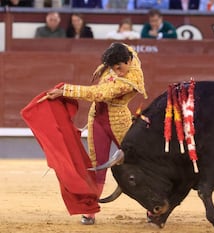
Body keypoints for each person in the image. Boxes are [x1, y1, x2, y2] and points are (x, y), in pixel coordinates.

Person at [43, 42, 147, 225]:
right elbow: (123, 46)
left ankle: (152, 206)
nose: (117, 72)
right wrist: (103, 66)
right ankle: (90, 210)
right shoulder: (125, 55)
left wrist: (64, 91)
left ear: (129, 62)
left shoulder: (129, 81)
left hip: (119, 121)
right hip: (96, 120)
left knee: (136, 163)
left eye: (120, 68)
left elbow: (99, 93)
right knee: (97, 165)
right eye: (113, 68)